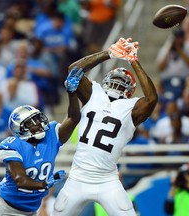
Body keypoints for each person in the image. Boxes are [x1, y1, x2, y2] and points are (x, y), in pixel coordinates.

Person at [53, 37, 158, 216]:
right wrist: (109, 53)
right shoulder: (94, 94)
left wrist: (133, 60)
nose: (118, 83)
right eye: (115, 79)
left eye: (122, 81)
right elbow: (73, 70)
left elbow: (151, 98)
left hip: (107, 180)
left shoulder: (131, 108)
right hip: (78, 177)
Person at [0, 67, 81, 216]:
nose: (38, 123)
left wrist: (72, 93)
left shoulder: (51, 136)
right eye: (31, 122)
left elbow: (73, 118)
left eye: (37, 118)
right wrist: (43, 184)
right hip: (2, 208)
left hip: (30, 211)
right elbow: (20, 179)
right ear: (20, 128)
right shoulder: (12, 145)